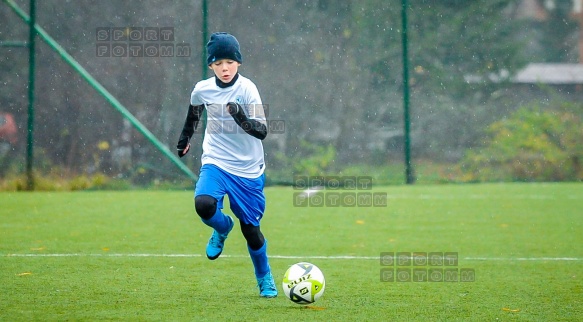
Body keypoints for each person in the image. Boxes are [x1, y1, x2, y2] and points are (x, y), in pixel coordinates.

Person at [176, 32, 277, 298]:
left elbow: (262, 132)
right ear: (211, 65)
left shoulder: (247, 89)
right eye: (218, 62)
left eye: (230, 62)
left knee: (252, 231)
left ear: (238, 63)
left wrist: (240, 117)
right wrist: (185, 139)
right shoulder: (203, 89)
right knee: (203, 204)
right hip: (216, 161)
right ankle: (222, 228)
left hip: (248, 168)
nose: (224, 68)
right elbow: (194, 114)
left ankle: (264, 276)